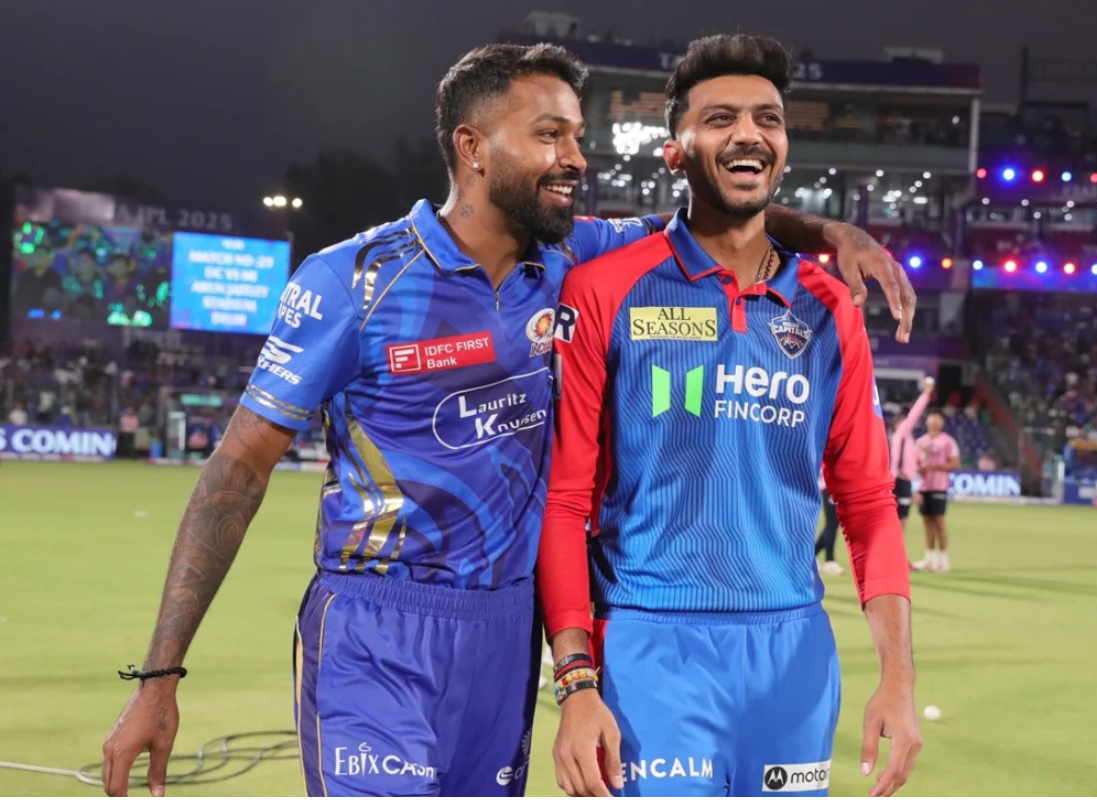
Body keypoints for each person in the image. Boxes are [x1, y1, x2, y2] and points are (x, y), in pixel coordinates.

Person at [101, 42, 915, 799]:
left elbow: (723, 218)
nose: (576, 158)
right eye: (550, 135)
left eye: (577, 137)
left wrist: (833, 232)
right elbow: (238, 470)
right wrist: (160, 676)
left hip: (507, 631)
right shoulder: (353, 281)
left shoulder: (574, 257)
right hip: (377, 624)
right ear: (474, 147)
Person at [539, 35, 920, 799]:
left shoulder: (830, 307)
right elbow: (565, 500)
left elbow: (869, 503)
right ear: (675, 152)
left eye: (767, 119)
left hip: (793, 657)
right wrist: (576, 682)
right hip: (648, 648)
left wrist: (898, 679)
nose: (749, 134)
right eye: (720, 119)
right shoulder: (604, 288)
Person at [912, 412, 960, 572]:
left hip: (939, 486)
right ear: (927, 423)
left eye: (936, 421)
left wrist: (934, 467)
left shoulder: (948, 441)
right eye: (931, 421)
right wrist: (920, 470)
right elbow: (914, 463)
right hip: (924, 487)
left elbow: (955, 464)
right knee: (927, 523)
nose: (933, 424)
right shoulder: (920, 442)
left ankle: (944, 560)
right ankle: (930, 558)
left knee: (940, 523)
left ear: (941, 424)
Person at [891, 377, 935, 529]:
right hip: (898, 480)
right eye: (900, 422)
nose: (904, 423)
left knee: (902, 519)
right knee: (898, 519)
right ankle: (892, 545)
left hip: (905, 482)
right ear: (896, 426)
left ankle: (895, 545)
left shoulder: (910, 442)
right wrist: (926, 394)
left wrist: (925, 454)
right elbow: (913, 415)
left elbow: (919, 460)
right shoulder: (900, 434)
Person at [814, 472, 844, 575]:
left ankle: (810, 555)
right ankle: (829, 561)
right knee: (831, 525)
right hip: (831, 485)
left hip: (838, 486)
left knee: (833, 525)